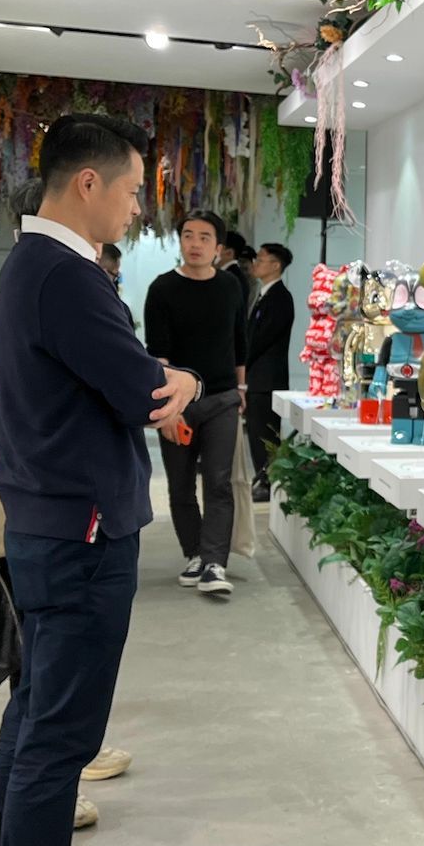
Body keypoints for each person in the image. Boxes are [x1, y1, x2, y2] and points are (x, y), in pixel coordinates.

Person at [0, 114, 199, 846]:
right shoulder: (64, 274)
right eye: (132, 190)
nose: (137, 207)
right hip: (78, 534)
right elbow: (144, 390)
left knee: (37, 717)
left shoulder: (32, 266)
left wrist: (154, 377)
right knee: (59, 734)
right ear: (87, 183)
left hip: (55, 525)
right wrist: (182, 378)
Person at [0, 182, 118, 834]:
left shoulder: (24, 295)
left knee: (41, 696)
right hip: (30, 514)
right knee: (37, 700)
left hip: (35, 512)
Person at [145, 209, 249, 596]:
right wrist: (167, 410)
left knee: (220, 482)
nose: (195, 244)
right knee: (180, 483)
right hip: (180, 403)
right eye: (188, 235)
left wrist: (242, 388)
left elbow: (239, 341)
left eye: (205, 237)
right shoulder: (162, 288)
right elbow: (158, 354)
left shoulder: (231, 286)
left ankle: (215, 562)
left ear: (218, 247)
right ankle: (194, 553)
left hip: (222, 398)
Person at [245, 241, 296, 501]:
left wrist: (241, 362)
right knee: (256, 433)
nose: (255, 263)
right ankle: (263, 478)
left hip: (267, 380)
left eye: (261, 259)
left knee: (264, 434)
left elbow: (260, 339)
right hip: (257, 378)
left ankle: (268, 481)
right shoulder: (263, 295)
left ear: (275, 265)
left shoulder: (280, 298)